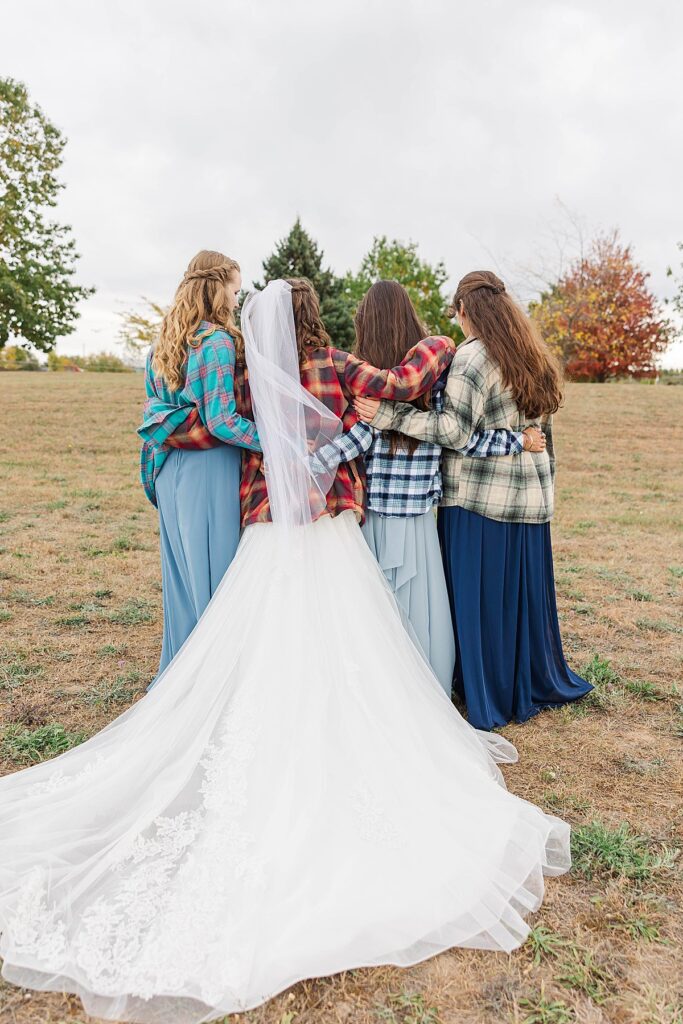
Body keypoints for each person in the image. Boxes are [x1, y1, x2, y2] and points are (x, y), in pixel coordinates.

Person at [0, 280, 571, 1023]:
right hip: (330, 526)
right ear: (310, 319)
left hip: (268, 528)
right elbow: (402, 383)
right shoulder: (334, 364)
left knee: (263, 635)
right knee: (349, 636)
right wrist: (440, 340)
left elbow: (224, 430)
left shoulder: (242, 377)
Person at [355, 270, 593, 730]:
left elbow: (453, 432)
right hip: (532, 496)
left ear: (464, 309)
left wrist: (389, 414)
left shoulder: (472, 357)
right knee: (520, 600)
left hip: (480, 496)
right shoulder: (529, 350)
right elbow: (539, 432)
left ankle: (490, 689)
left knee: (482, 601)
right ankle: (527, 679)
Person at [312, 280, 543, 694]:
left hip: (375, 510)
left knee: (375, 603)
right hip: (418, 512)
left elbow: (359, 439)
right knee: (423, 609)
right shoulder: (435, 370)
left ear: (366, 322)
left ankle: (380, 685)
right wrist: (517, 440)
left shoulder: (363, 376)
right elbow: (463, 436)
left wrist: (310, 462)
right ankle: (424, 687)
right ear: (410, 315)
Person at [138, 250, 260, 676]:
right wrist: (272, 442)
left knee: (181, 577)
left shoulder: (164, 341)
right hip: (207, 467)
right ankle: (210, 680)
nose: (236, 299)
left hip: (170, 466)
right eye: (234, 289)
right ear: (216, 288)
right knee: (215, 577)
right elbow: (222, 420)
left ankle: (181, 672)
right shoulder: (217, 342)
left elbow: (157, 405)